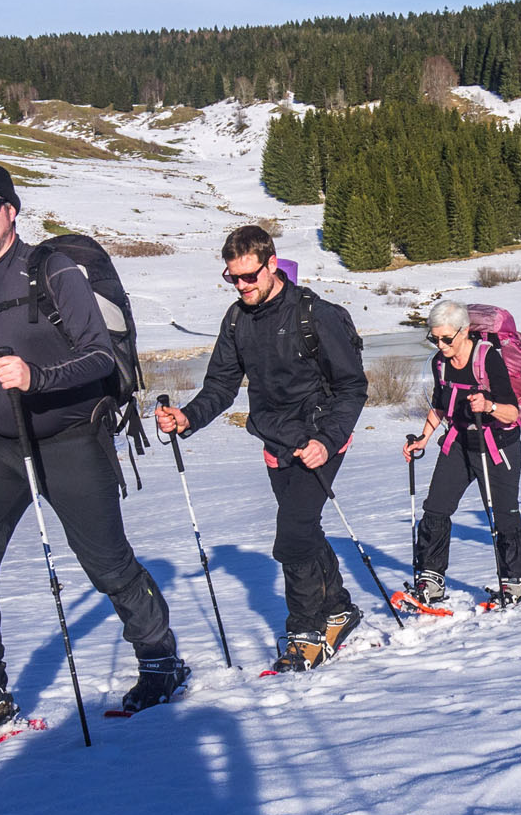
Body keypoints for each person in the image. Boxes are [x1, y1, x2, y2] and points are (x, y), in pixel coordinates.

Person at [0, 162, 184, 746]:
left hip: (73, 439)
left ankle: (160, 662)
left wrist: (37, 376)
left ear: (11, 209)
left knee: (108, 565)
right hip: (2, 447)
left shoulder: (51, 271)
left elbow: (100, 356)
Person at [154, 225, 368, 672]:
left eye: (249, 276)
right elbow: (221, 384)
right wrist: (188, 417)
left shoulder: (316, 315)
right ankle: (339, 609)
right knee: (305, 530)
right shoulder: (236, 320)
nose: (242, 286)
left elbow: (351, 387)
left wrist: (326, 442)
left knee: (291, 537)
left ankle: (307, 633)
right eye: (233, 278)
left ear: (272, 265)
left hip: (321, 439)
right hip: (276, 440)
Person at [400, 301, 521, 608]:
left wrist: (490, 407)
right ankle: (431, 580)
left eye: (446, 338)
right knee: (435, 508)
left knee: (504, 513)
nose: (441, 345)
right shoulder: (440, 363)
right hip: (458, 442)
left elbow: (513, 412)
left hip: (498, 445)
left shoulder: (489, 359)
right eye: (435, 339)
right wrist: (423, 438)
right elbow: (439, 405)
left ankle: (515, 581)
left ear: (464, 331)